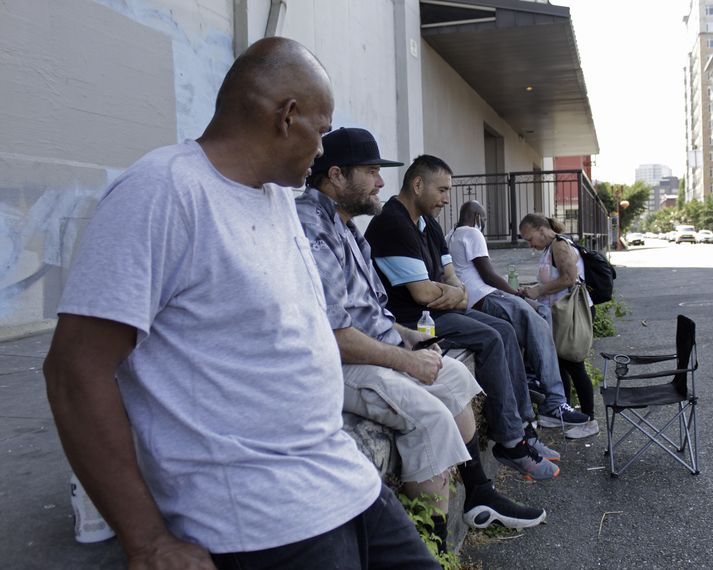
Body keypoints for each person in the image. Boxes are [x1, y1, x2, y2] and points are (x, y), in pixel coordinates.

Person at [42, 38, 439, 570]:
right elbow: (74, 371)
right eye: (321, 131)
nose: (323, 149)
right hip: (261, 523)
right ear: (286, 116)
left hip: (343, 481)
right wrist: (148, 542)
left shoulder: (276, 198)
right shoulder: (163, 192)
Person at [295, 127, 546, 541]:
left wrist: (406, 337)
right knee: (431, 420)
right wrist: (407, 359)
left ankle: (478, 493)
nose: (380, 182)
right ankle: (435, 547)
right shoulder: (312, 225)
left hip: (375, 345)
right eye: (371, 171)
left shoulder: (346, 226)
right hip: (338, 363)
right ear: (336, 175)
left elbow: (371, 313)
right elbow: (334, 334)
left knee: (455, 375)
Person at [364, 155, 561, 482]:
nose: (447, 199)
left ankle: (525, 428)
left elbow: (453, 279)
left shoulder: (429, 223)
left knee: (505, 329)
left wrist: (452, 292)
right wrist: (453, 293)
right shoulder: (392, 223)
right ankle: (511, 442)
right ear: (418, 185)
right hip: (411, 321)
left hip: (439, 312)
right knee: (491, 338)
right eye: (442, 190)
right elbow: (422, 294)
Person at [446, 200, 589, 436]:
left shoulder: (450, 235)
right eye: (484, 220)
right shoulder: (471, 233)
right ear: (478, 218)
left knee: (541, 313)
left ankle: (533, 374)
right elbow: (488, 275)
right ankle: (555, 403)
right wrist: (515, 294)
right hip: (484, 296)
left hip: (472, 298)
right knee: (536, 321)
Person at [518, 214, 600, 439]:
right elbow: (555, 279)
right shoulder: (551, 247)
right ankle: (564, 413)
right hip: (559, 314)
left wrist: (538, 290)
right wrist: (535, 288)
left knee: (574, 364)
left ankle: (589, 420)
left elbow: (569, 278)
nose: (530, 245)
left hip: (570, 314)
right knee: (561, 365)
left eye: (530, 238)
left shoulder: (559, 245)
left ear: (541, 230)